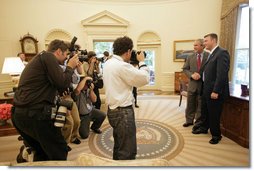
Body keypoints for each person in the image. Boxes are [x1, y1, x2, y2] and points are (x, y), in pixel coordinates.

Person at [12, 39, 79, 161]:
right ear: (58, 51)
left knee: (42, 152)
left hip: (20, 114)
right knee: (60, 151)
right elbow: (63, 83)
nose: (66, 58)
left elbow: (55, 86)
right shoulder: (48, 56)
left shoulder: (41, 60)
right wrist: (70, 66)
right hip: (35, 115)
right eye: (65, 55)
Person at [103, 36, 150, 160]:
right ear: (128, 51)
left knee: (119, 145)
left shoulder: (108, 62)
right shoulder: (121, 66)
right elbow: (144, 78)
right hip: (123, 112)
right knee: (127, 151)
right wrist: (142, 62)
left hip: (112, 110)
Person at [192, 33, 230, 145]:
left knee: (214, 114)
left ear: (213, 40)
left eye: (206, 41)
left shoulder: (222, 53)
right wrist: (198, 74)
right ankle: (204, 128)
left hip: (214, 91)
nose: (204, 43)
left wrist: (216, 91)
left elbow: (222, 75)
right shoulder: (211, 54)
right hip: (206, 90)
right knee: (205, 111)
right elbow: (207, 70)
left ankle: (216, 135)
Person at [182, 39, 209, 127]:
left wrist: (201, 75)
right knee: (190, 104)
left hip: (203, 85)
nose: (194, 47)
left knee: (200, 105)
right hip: (192, 84)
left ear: (202, 46)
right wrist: (192, 75)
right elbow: (185, 69)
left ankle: (198, 122)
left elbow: (211, 70)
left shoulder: (208, 56)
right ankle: (189, 121)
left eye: (196, 45)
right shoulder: (190, 57)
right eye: (194, 45)